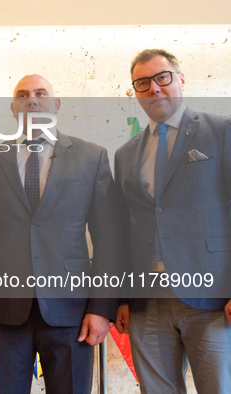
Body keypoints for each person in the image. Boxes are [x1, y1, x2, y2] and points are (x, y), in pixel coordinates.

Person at [0, 74, 121, 393]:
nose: (32, 99)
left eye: (40, 93)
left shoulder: (92, 157)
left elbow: (108, 240)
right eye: (23, 94)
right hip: (3, 312)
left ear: (55, 105)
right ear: (13, 107)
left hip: (72, 312)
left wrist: (102, 308)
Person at [114, 49, 231, 393]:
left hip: (211, 297)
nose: (155, 88)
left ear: (181, 79)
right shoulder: (125, 154)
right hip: (146, 302)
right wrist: (120, 297)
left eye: (162, 77)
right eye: (143, 82)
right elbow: (123, 228)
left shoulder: (221, 131)